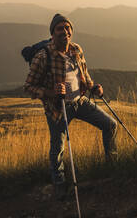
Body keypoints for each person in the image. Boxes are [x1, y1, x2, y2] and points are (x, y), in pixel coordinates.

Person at [24, 13, 118, 197]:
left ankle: (112, 168)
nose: (65, 31)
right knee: (58, 147)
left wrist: (93, 87)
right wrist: (51, 93)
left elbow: (83, 74)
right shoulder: (43, 57)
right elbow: (28, 87)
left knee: (110, 125)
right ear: (52, 33)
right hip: (58, 108)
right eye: (60, 28)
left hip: (80, 101)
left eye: (67, 28)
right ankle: (59, 183)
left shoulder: (76, 49)